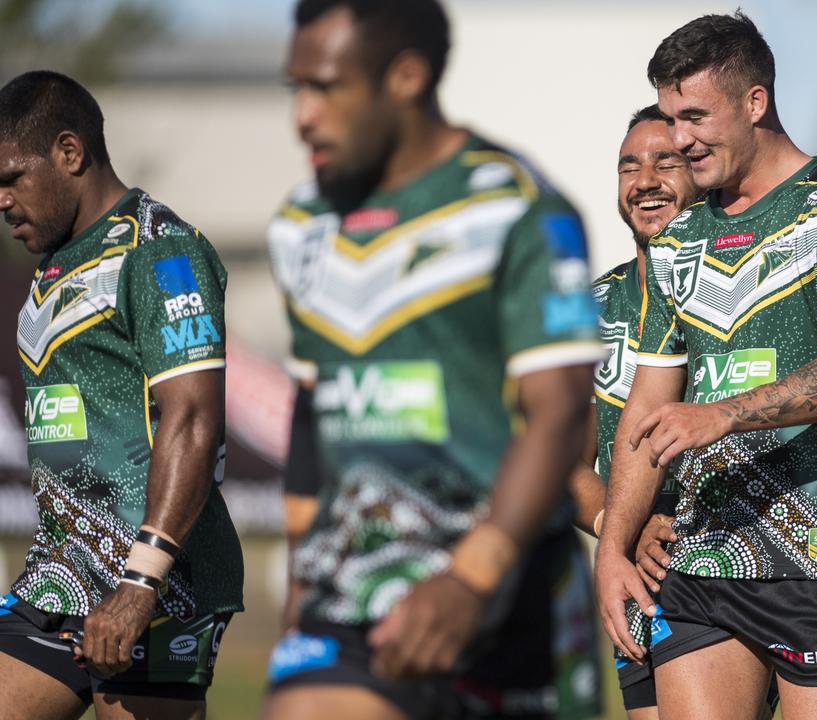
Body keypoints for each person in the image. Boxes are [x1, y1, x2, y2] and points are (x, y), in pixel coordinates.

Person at [260, 2, 602, 719]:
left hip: (509, 598)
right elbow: (310, 416)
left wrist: (471, 581)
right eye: (297, 89)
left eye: (326, 88)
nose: (303, 117)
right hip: (350, 596)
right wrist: (301, 584)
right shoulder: (301, 227)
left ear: (406, 77)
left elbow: (563, 413)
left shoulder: (519, 210)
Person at [594, 12, 817, 720]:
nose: (679, 139)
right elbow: (646, 417)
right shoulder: (678, 240)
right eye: (673, 118)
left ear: (755, 102)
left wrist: (720, 415)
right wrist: (612, 549)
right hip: (700, 562)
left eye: (695, 117)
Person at [0, 70, 244, 720]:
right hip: (64, 570)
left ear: (70, 153)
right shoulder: (55, 264)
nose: (1, 200)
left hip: (161, 581)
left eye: (12, 177)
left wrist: (141, 583)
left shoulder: (162, 252)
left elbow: (193, 419)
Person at [568, 104, 696, 720]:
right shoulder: (589, 310)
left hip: (769, 555)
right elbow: (563, 461)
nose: (644, 180)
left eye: (664, 162)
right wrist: (619, 529)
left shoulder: (748, 286)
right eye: (629, 167)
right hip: (644, 575)